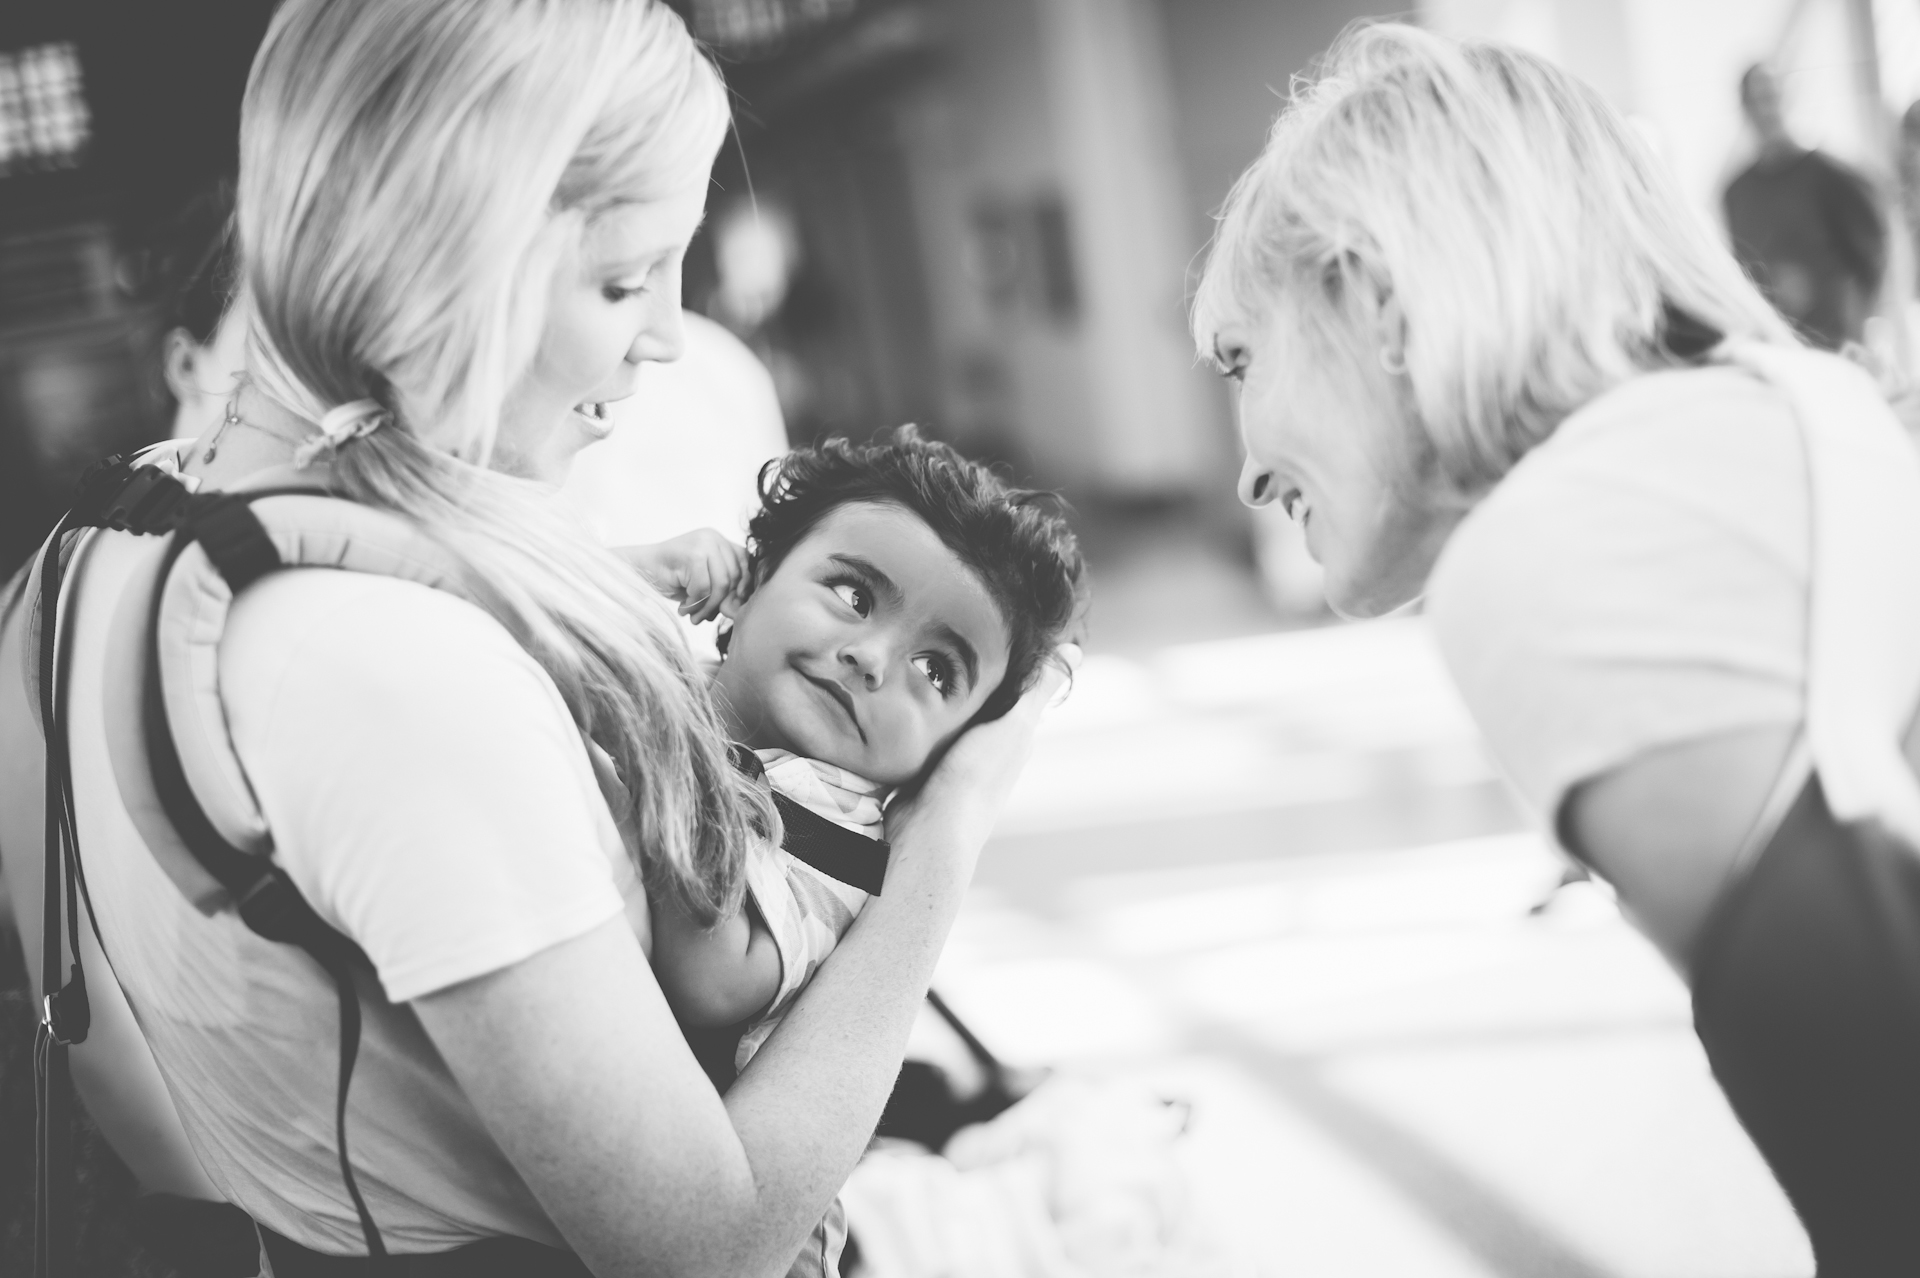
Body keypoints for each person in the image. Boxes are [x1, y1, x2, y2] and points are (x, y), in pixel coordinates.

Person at [0, 2, 1069, 1275]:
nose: (670, 335)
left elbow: (132, 1083)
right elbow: (707, 1245)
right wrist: (943, 844)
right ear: (449, 247)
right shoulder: (392, 671)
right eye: (623, 278)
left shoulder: (102, 542)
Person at [1194, 23, 1920, 1273]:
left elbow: (1878, 1122)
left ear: (1374, 293)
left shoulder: (1553, 547)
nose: (1250, 469)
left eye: (1242, 358)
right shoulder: (1791, 420)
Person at [626, 429, 1084, 1273]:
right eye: (853, 594)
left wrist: (644, 714)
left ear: (949, 748)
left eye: (937, 671)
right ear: (749, 580)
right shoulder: (671, 675)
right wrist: (627, 579)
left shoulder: (836, 827)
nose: (873, 659)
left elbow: (717, 971)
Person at [1723, 63, 1885, 350]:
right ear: (1744, 108)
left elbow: (1874, 260)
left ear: (1789, 98)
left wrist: (1857, 323)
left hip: (1839, 345)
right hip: (1782, 349)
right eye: (1755, 100)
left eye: (1771, 97)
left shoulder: (1834, 176)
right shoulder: (1736, 194)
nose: (1765, 110)